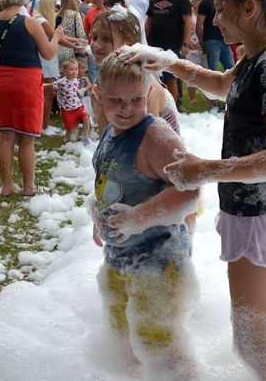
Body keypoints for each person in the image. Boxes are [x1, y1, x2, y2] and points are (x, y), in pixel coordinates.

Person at [118, 0, 266, 380]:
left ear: (250, 8)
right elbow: (221, 84)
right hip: (257, 209)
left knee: (253, 341)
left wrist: (204, 169)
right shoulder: (260, 55)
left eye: (221, 8)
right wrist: (169, 62)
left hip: (258, 212)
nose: (215, 19)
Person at [89, 55, 199, 379]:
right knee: (121, 331)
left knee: (158, 339)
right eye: (116, 100)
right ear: (98, 93)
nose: (127, 109)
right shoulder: (111, 131)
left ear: (149, 92)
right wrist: (98, 213)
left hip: (158, 262)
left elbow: (190, 190)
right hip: (119, 257)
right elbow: (111, 180)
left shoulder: (155, 135)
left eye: (136, 99)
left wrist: (139, 217)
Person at [0, 0, 63, 197]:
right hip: (26, 81)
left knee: (6, 137)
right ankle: (28, 186)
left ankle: (6, 186)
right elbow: (48, 53)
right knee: (27, 138)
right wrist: (57, 37)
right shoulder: (30, 23)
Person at [90, 4, 180, 135]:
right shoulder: (101, 82)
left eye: (107, 39)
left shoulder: (144, 85)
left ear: (130, 45)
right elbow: (105, 135)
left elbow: (152, 139)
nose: (96, 45)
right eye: (94, 38)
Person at [145, 0, 193, 107]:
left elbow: (188, 21)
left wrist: (185, 44)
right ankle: (157, 106)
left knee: (171, 78)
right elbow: (149, 21)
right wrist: (144, 40)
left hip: (173, 44)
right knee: (154, 77)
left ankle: (172, 108)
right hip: (154, 44)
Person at [196, 0, 234, 75]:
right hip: (212, 40)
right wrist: (202, 42)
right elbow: (199, 25)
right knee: (214, 71)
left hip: (224, 40)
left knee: (232, 69)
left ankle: (231, 86)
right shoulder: (205, 2)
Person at [36, 0, 62, 136]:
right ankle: (43, 126)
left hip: (48, 58)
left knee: (49, 93)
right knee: (49, 93)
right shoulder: (42, 21)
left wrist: (75, 42)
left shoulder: (41, 19)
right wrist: (75, 44)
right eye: (53, 4)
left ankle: (44, 125)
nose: (55, 7)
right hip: (46, 59)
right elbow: (57, 37)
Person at [52, 58, 92, 144]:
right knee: (70, 128)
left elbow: (75, 90)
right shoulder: (61, 82)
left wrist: (80, 92)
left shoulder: (76, 80)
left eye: (76, 69)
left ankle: (85, 138)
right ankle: (68, 143)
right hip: (67, 109)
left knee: (86, 119)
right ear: (65, 71)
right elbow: (53, 86)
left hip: (78, 106)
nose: (74, 71)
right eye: (71, 69)